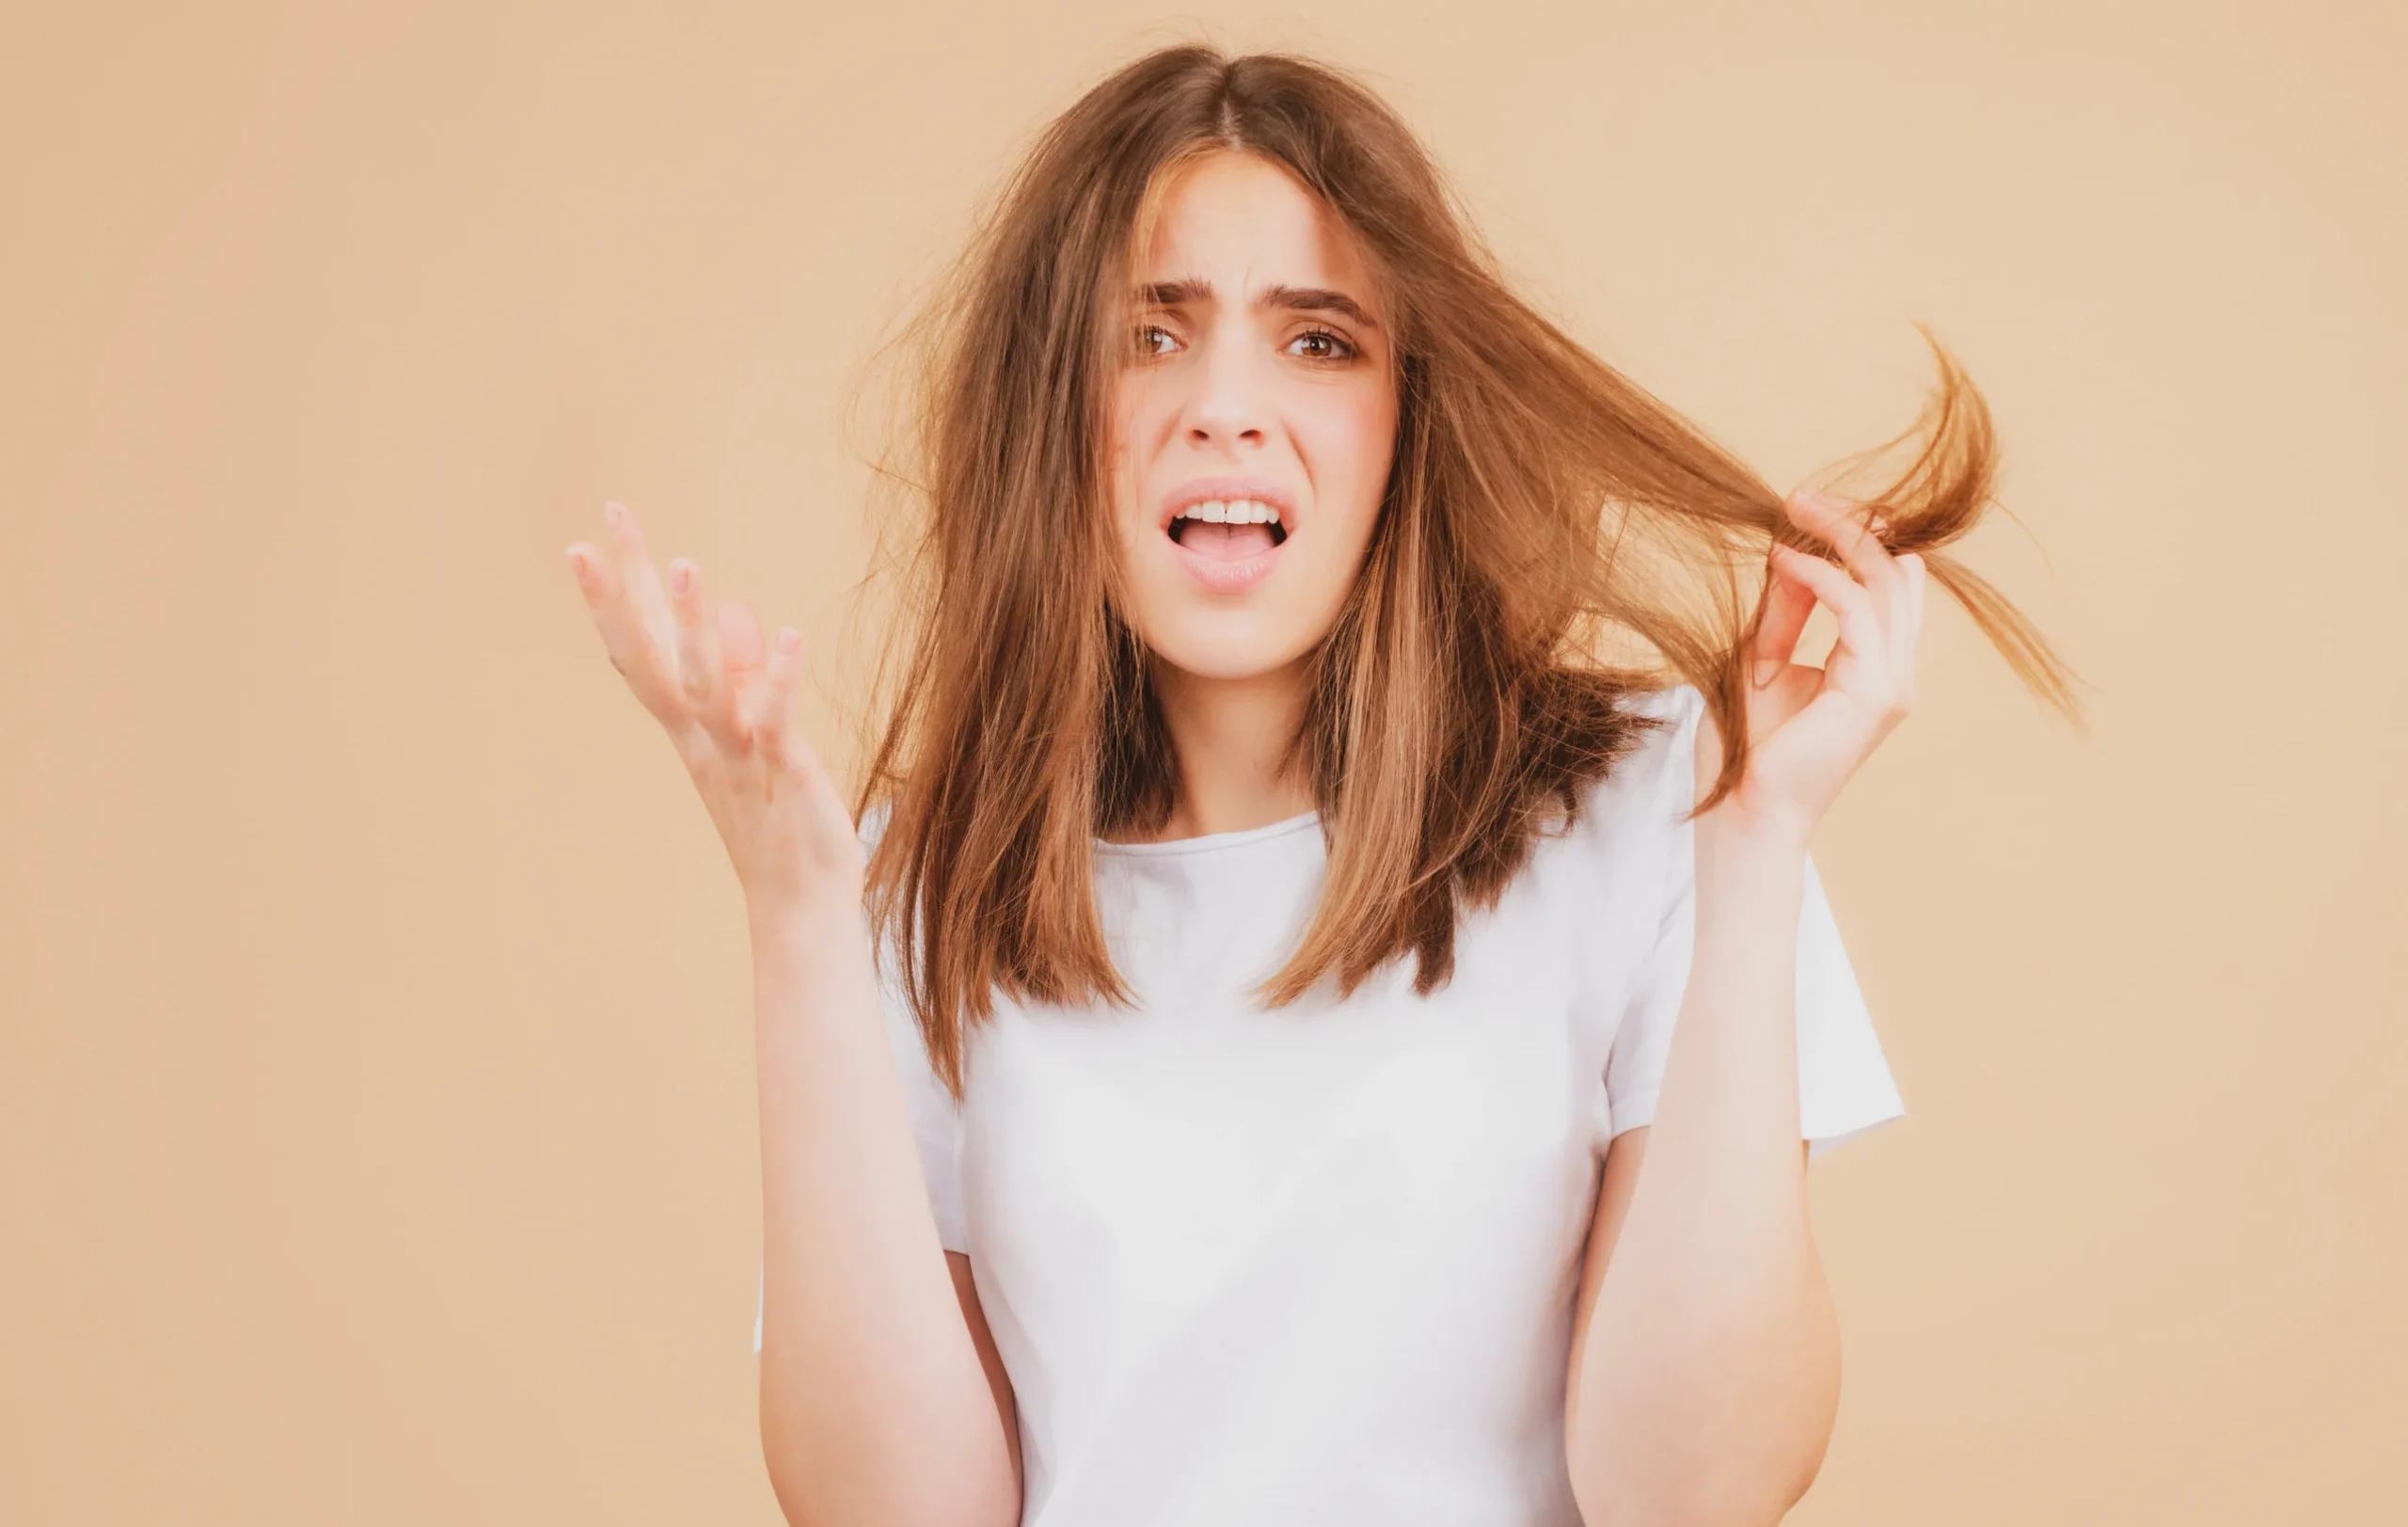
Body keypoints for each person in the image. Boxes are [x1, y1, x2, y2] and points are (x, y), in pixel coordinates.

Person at [563, 42, 2071, 1527]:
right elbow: (897, 1512)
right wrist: (798, 924)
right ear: (1049, 416)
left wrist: (1761, 844)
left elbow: (1694, 1486)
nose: (1224, 405)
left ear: (1408, 412)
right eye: (1149, 334)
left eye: (1319, 338)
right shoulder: (920, 889)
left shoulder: (1660, 808)